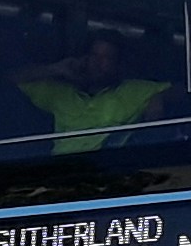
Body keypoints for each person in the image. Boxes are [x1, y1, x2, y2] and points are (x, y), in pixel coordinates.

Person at [15, 27, 168, 157]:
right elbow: (11, 79)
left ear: (118, 64)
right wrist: (55, 69)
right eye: (94, 55)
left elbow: (184, 90)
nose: (97, 62)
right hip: (60, 173)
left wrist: (158, 99)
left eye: (106, 57)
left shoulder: (135, 90)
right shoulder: (60, 93)